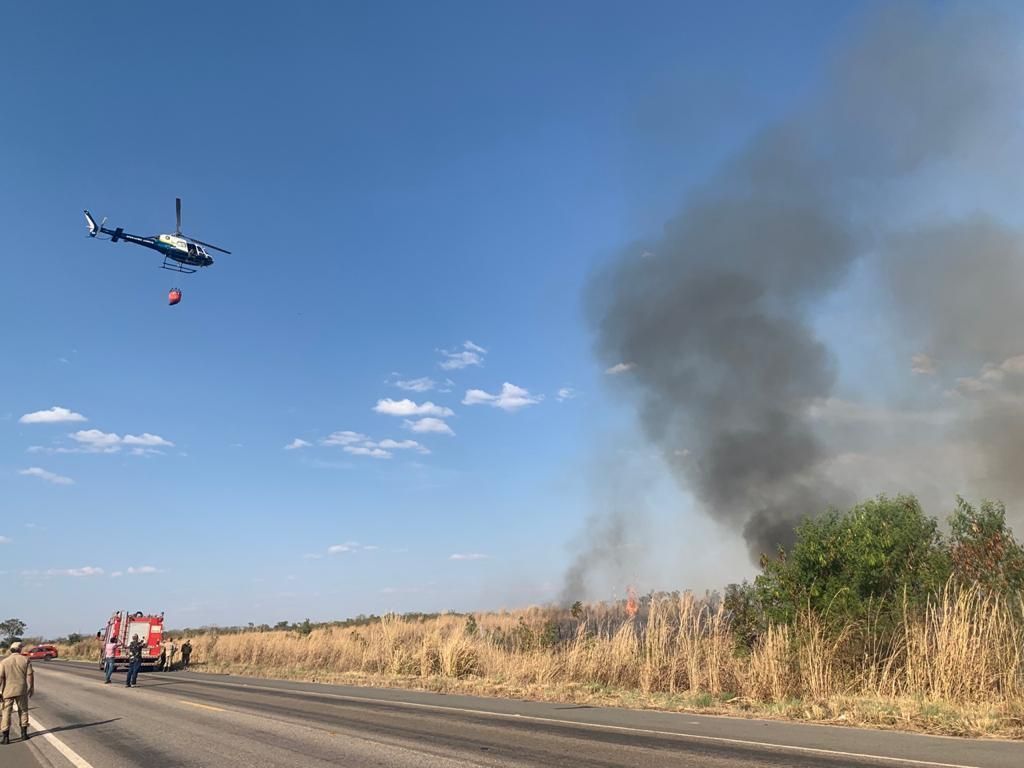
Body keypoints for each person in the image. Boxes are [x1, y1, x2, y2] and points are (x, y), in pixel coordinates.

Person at [0, 641, 34, 744]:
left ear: (11, 650)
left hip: (8, 691)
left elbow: (0, 677)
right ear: (19, 649)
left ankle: (6, 737)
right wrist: (31, 687)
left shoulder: (4, 662)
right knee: (23, 711)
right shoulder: (25, 660)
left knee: (6, 712)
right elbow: (30, 675)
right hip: (21, 689)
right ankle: (24, 734)